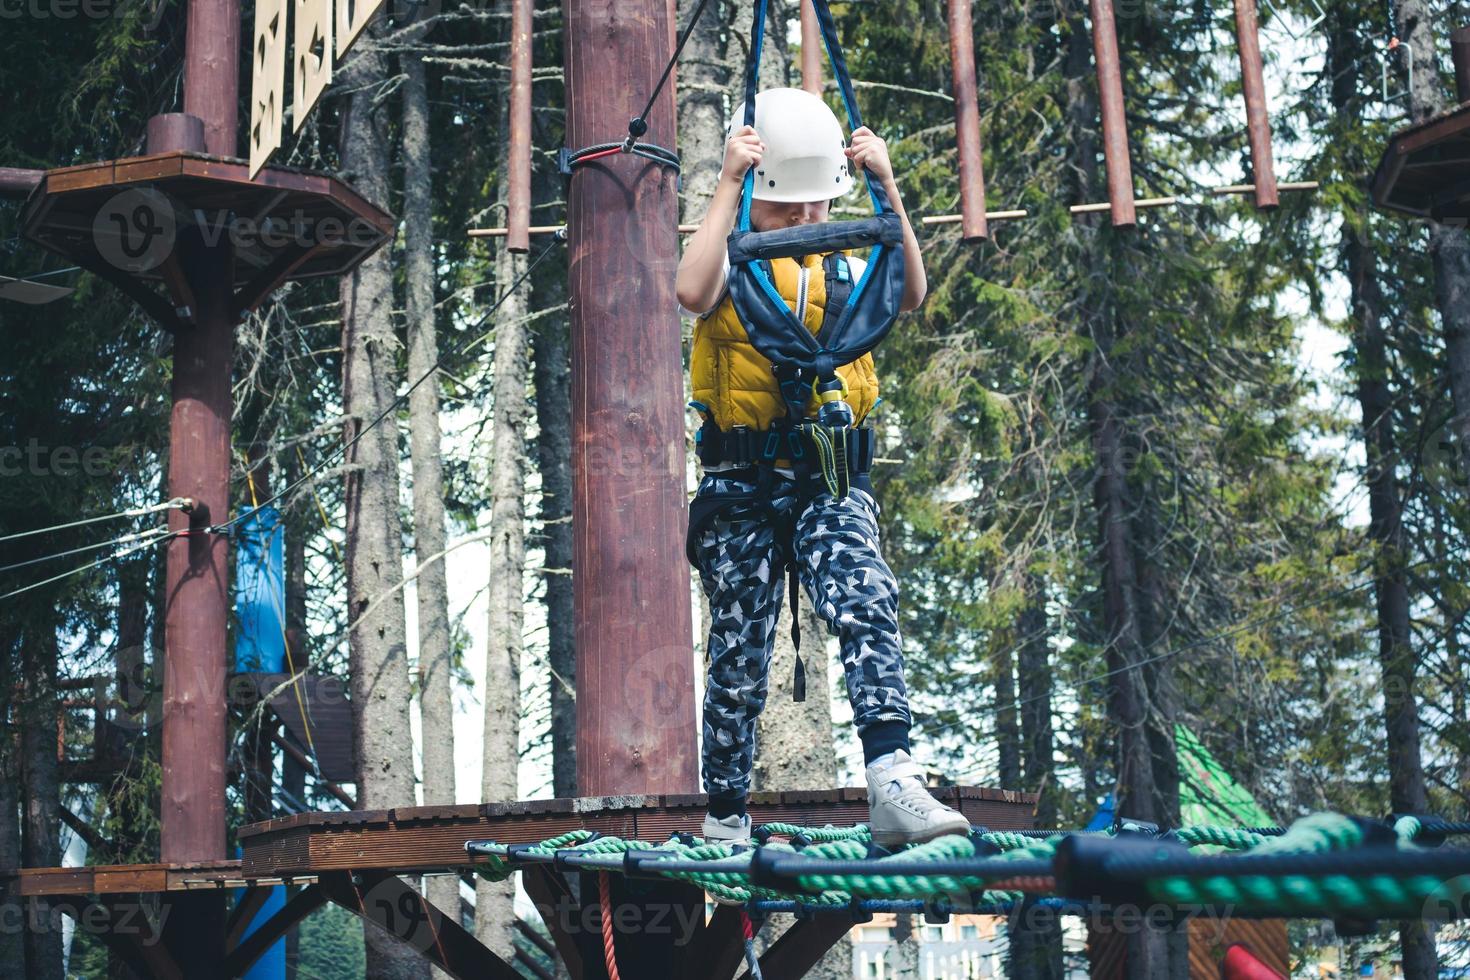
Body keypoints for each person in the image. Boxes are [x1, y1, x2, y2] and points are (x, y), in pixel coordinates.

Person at [675, 88, 969, 847]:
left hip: (829, 477)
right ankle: (727, 811)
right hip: (740, 485)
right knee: (740, 650)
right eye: (788, 208)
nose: (806, 220)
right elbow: (690, 289)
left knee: (865, 597)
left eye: (816, 205)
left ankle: (893, 773)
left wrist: (887, 187)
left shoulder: (851, 258)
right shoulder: (732, 253)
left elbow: (911, 291)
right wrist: (730, 185)